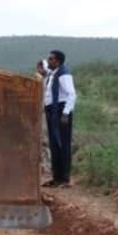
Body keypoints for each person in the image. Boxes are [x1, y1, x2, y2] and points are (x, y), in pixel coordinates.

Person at [42, 49, 76, 187]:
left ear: (57, 61)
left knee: (63, 144)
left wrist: (66, 113)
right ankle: (57, 178)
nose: (48, 61)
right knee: (55, 145)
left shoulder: (63, 74)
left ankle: (65, 179)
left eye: (51, 59)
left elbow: (72, 94)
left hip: (61, 111)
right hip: (53, 111)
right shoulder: (53, 74)